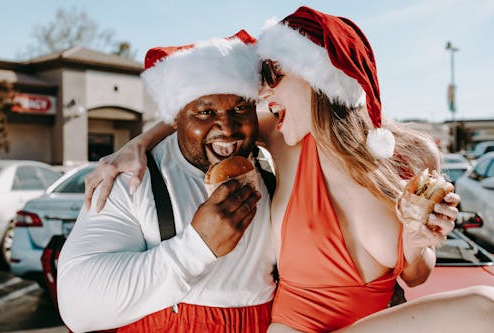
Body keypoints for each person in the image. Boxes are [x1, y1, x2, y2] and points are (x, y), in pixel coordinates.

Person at [82, 7, 493, 333]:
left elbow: (418, 274)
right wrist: (136, 144)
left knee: (484, 308)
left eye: (273, 75)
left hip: (372, 325)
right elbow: (203, 112)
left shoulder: (410, 155)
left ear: (319, 77)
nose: (263, 91)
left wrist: (419, 239)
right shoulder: (284, 138)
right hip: (294, 328)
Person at [57, 30, 277, 333]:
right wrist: (197, 247)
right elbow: (77, 305)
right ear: (175, 117)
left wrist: (144, 137)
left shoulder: (273, 164)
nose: (227, 129)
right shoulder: (132, 177)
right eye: (205, 112)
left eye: (240, 108)